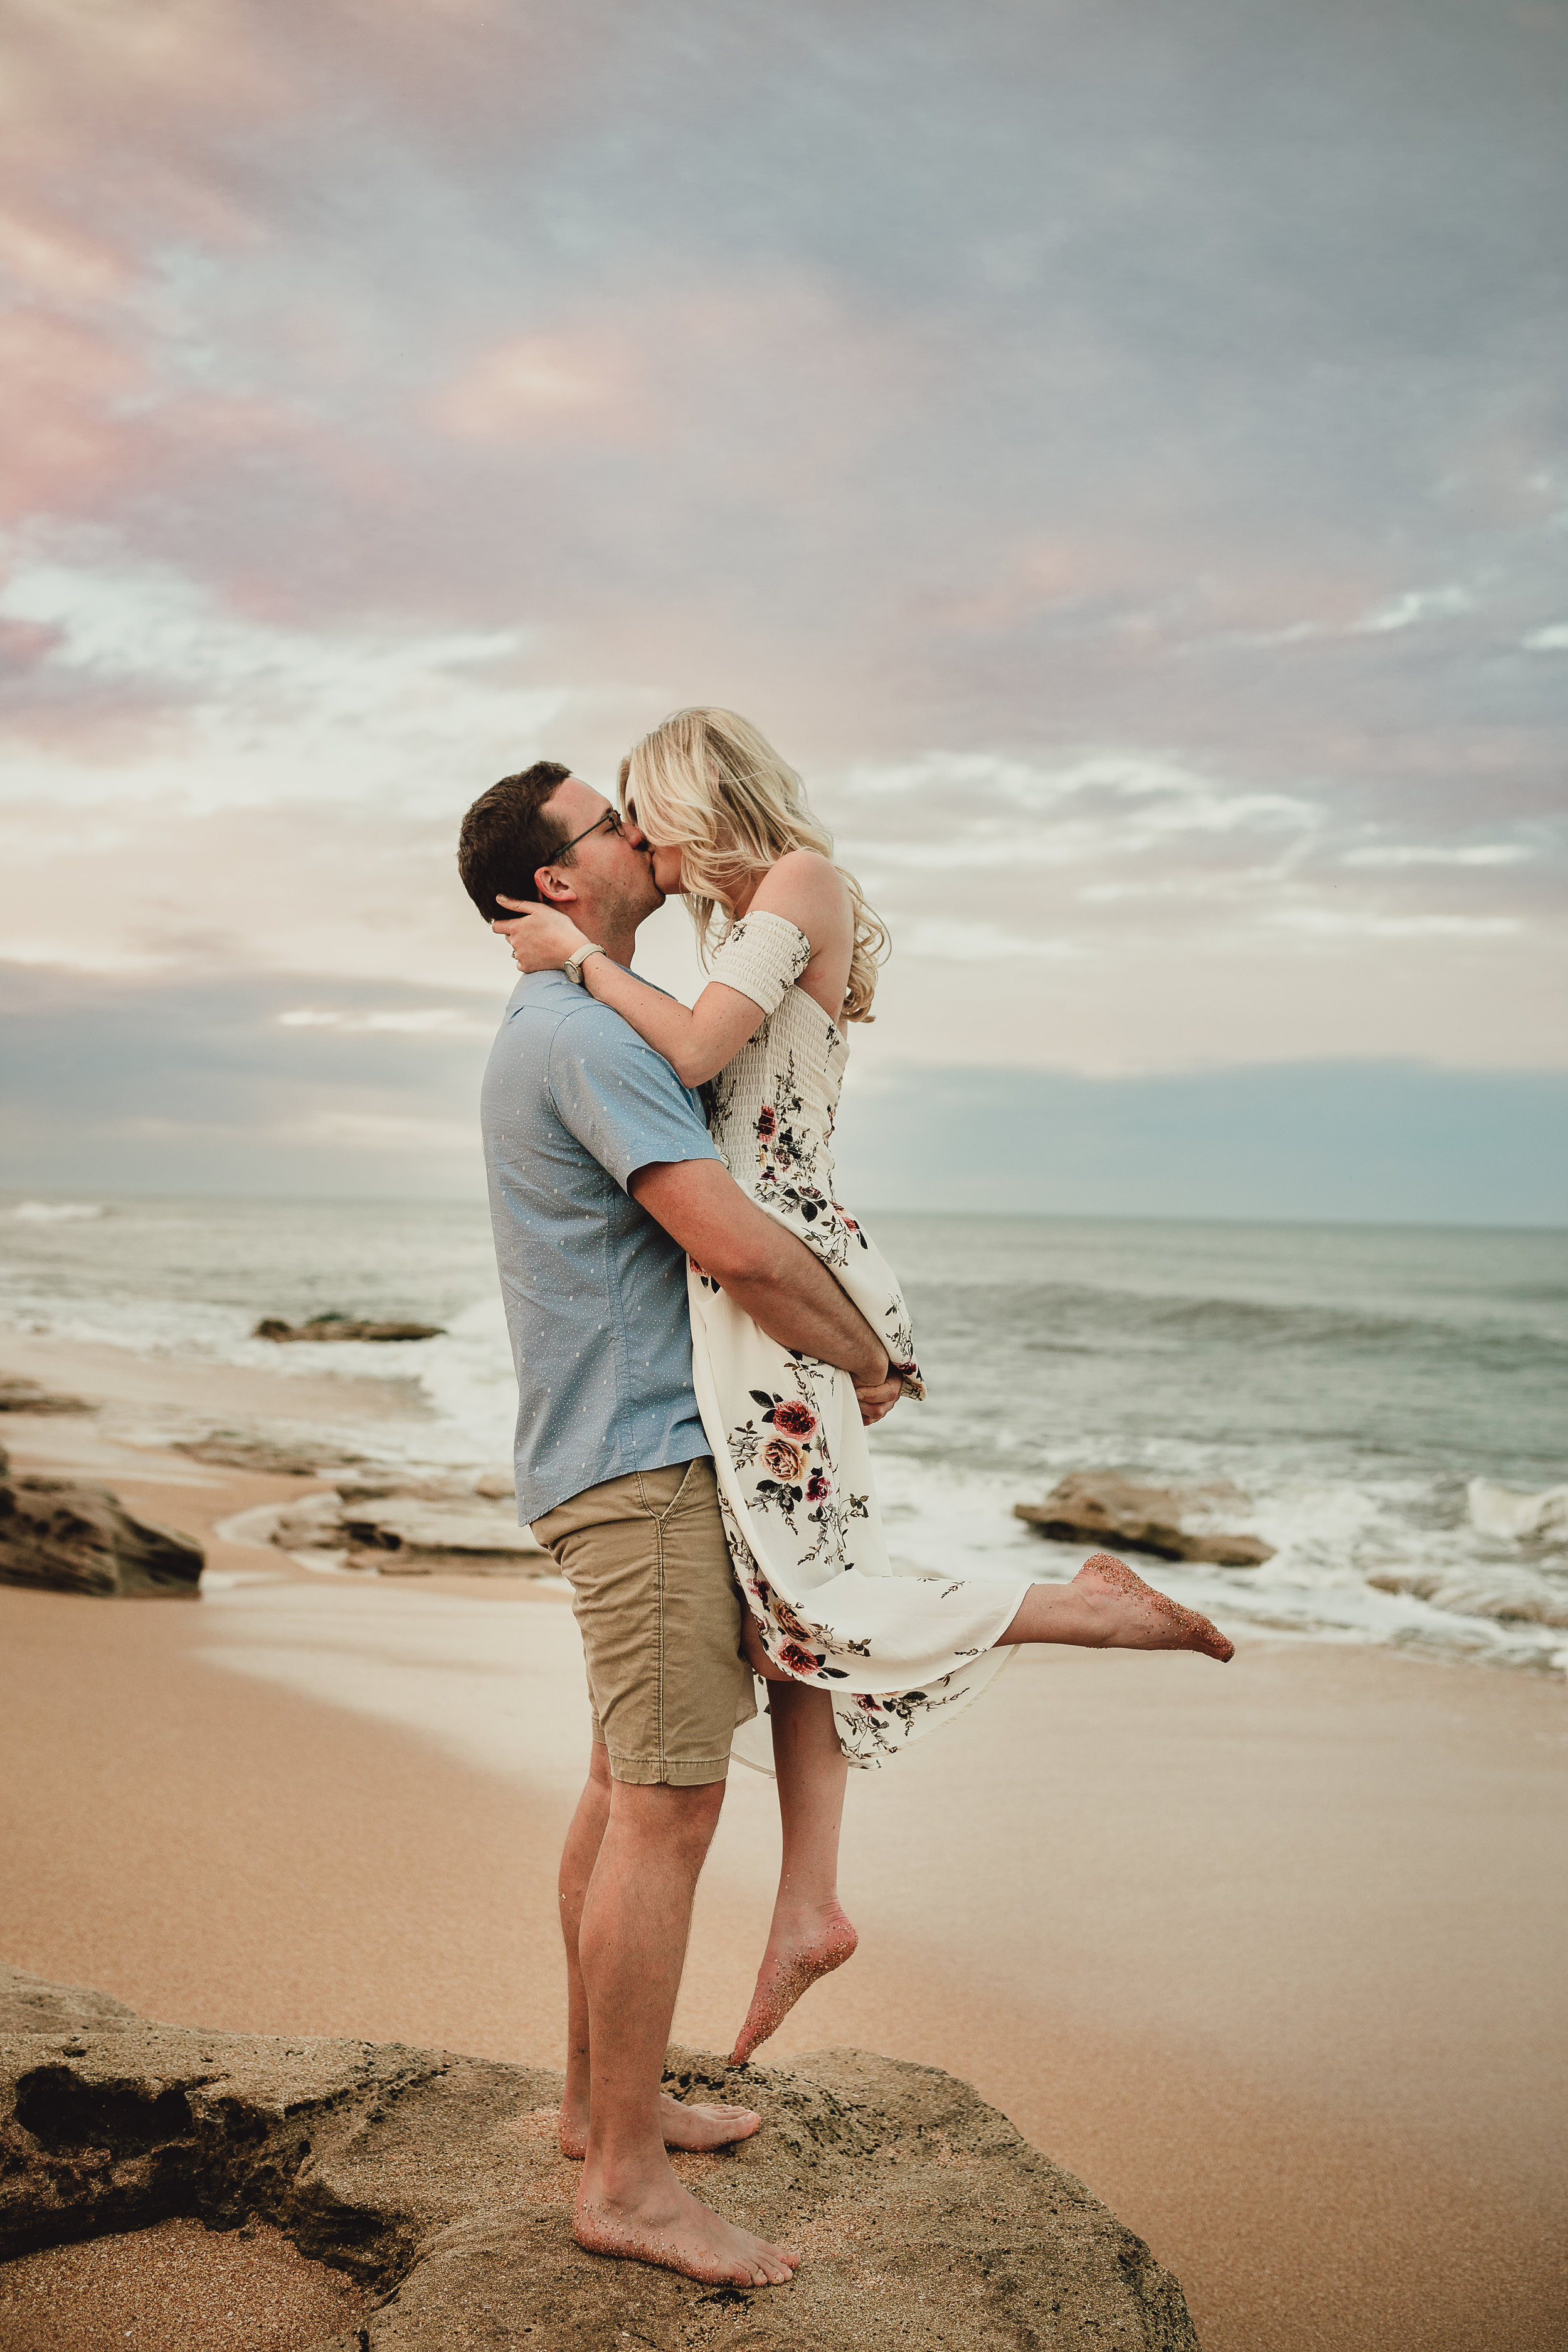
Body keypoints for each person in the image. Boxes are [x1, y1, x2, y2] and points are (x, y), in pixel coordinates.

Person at [492, 709, 1234, 2079]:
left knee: (814, 1586)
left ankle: (1080, 1612)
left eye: (643, 812)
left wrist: (582, 958)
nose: (642, 840)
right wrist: (586, 974)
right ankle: (807, 1904)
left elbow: (703, 1061)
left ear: (700, 794)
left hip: (786, 1286)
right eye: (619, 826)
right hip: (748, 1301)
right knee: (798, 1597)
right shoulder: (722, 935)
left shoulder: (799, 882)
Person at [460, 756, 908, 2289]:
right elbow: (724, 1232)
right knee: (665, 1806)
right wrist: (863, 1355)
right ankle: (629, 2190)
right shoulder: (586, 1034)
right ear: (559, 884)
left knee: (617, 1786)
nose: (643, 835)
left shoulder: (575, 1018)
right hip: (642, 1462)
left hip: (622, 1452)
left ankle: (604, 2105)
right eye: (612, 825)